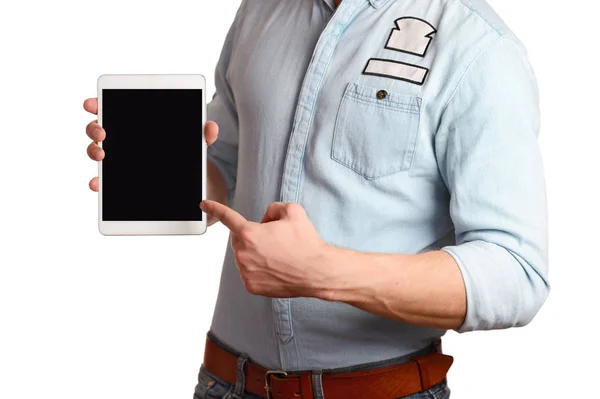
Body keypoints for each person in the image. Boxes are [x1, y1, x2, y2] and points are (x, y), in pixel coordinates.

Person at [83, 0, 549, 398]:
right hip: (224, 384)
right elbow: (227, 165)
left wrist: (322, 272)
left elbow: (516, 272)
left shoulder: (479, 46)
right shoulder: (261, 9)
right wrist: (157, 168)